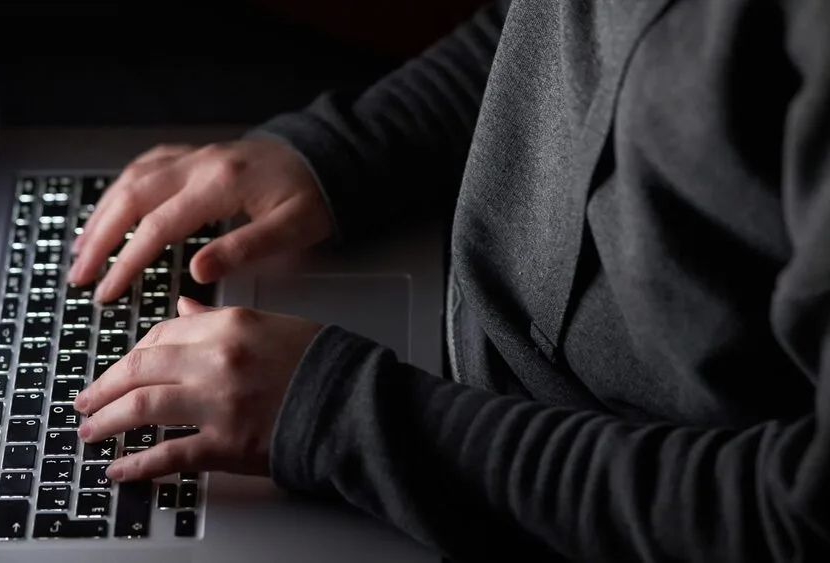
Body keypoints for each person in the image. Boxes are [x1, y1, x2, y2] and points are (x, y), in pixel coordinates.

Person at [67, 1, 830, 561]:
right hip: (429, 338)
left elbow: (801, 520)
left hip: (560, 496)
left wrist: (341, 416)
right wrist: (342, 151)